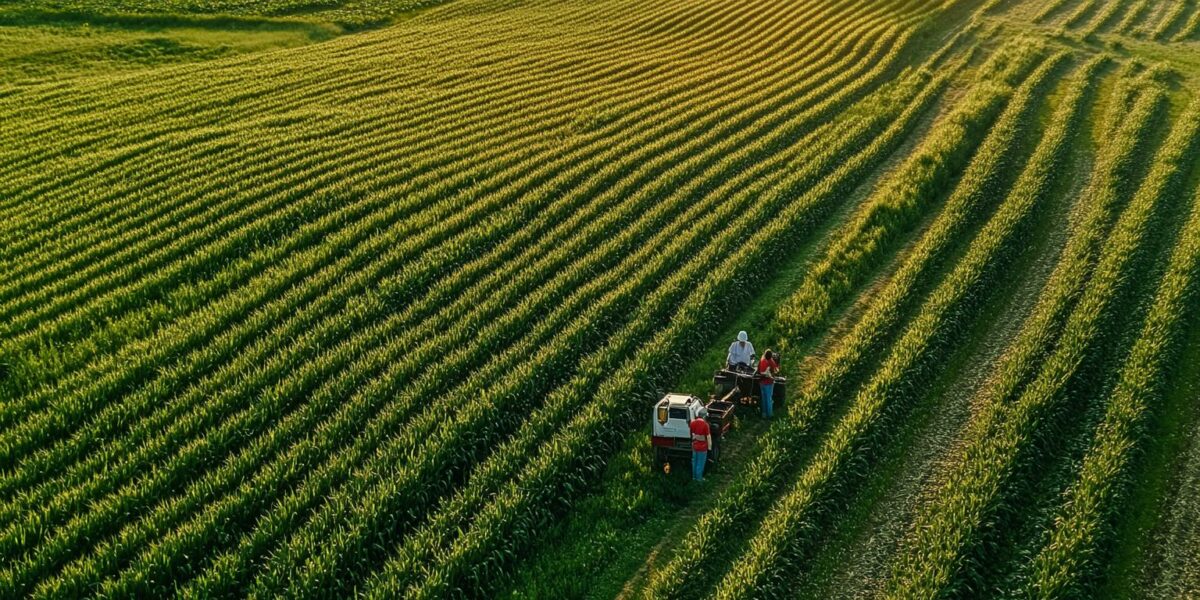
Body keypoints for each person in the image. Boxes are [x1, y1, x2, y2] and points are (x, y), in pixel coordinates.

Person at [690, 407, 712, 482]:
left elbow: (692, 434)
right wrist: (709, 447)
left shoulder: (692, 423)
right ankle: (699, 479)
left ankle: (693, 477)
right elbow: (708, 437)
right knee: (700, 463)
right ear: (704, 416)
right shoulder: (706, 425)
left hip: (694, 446)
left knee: (694, 462)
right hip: (702, 447)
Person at [758, 349, 780, 418]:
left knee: (764, 399)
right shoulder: (770, 361)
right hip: (769, 383)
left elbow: (760, 371)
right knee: (769, 399)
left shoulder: (762, 360)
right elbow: (776, 370)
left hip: (762, 383)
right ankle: (770, 415)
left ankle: (764, 414)